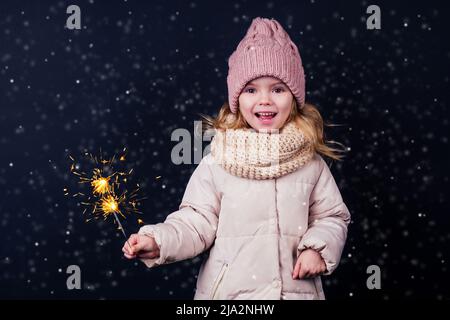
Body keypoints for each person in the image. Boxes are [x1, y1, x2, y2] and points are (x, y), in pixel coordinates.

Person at [122, 17, 351, 300]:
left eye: (278, 89)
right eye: (251, 89)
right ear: (236, 99)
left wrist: (317, 248)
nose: (265, 100)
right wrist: (159, 241)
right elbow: (196, 222)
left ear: (294, 98)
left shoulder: (310, 163)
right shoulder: (217, 162)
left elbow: (332, 217)